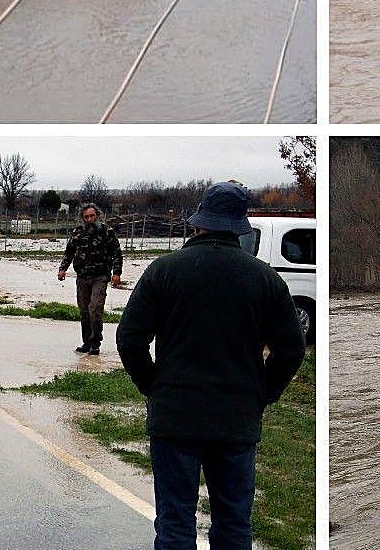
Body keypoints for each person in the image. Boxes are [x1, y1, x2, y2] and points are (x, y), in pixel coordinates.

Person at [116, 181, 306, 550]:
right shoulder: (266, 278)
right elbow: (292, 350)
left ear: (199, 222)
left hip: (175, 417)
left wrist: (153, 386)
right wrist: (263, 393)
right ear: (240, 226)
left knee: (174, 524)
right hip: (236, 420)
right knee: (234, 525)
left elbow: (129, 339)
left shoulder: (164, 271)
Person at [57, 203, 122, 355]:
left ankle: (96, 342)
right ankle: (87, 342)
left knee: (95, 309)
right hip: (82, 277)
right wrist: (62, 269)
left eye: (92, 216)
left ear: (97, 216)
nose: (90, 219)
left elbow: (117, 253)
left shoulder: (107, 231)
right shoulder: (78, 232)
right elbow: (69, 252)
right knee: (84, 311)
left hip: (100, 276)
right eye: (86, 217)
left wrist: (116, 273)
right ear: (82, 218)